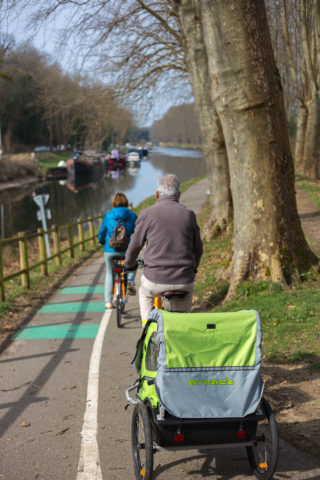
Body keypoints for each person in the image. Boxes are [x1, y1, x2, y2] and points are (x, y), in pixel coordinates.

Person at [124, 173, 203, 326]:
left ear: (157, 194)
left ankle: (148, 331)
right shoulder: (189, 215)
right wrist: (193, 269)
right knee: (181, 324)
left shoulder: (147, 214)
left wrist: (128, 264)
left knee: (144, 293)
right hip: (184, 280)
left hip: (155, 280)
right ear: (178, 194)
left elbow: (135, 245)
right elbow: (198, 248)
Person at [98, 192, 138, 309]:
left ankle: (108, 302)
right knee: (133, 264)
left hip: (110, 250)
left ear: (113, 203)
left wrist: (101, 241)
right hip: (127, 249)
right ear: (126, 202)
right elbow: (138, 232)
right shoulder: (132, 215)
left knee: (109, 273)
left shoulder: (108, 215)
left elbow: (102, 232)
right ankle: (130, 280)